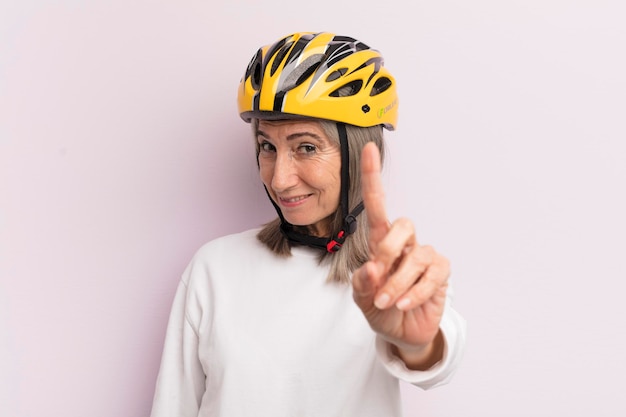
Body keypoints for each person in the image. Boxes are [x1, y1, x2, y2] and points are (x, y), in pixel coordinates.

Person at [150, 31, 466, 417]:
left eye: (307, 147)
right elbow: (173, 407)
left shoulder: (394, 274)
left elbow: (435, 359)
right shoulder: (214, 267)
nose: (280, 179)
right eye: (267, 146)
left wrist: (417, 344)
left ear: (359, 153)